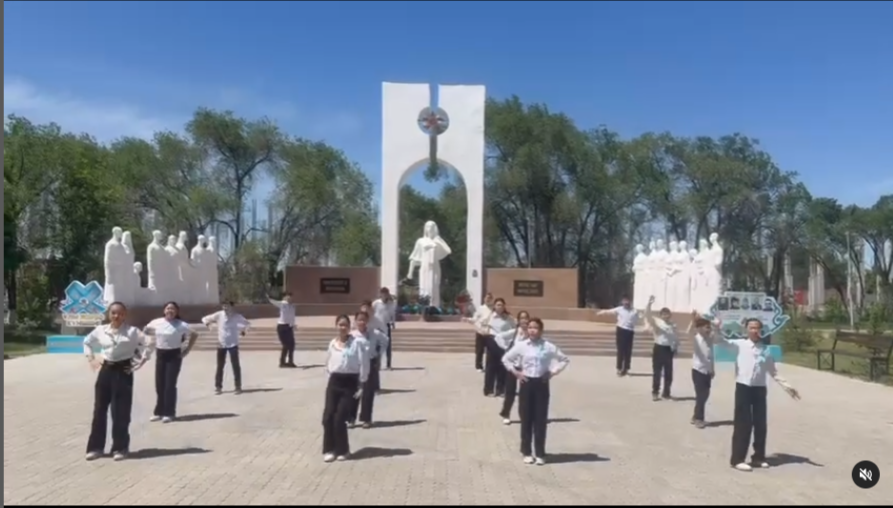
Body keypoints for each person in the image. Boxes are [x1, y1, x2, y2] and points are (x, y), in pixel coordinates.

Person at [720, 318, 800, 472]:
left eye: (757, 328)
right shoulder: (739, 345)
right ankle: (737, 459)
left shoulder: (765, 350)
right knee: (743, 423)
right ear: (746, 329)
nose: (754, 330)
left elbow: (773, 372)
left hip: (759, 389)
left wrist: (787, 387)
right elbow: (721, 342)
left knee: (760, 424)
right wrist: (716, 328)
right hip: (743, 387)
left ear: (761, 330)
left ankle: (758, 457)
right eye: (751, 327)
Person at [83, 302, 151, 461]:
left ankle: (120, 447)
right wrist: (91, 358)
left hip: (123, 371)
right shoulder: (101, 330)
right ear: (109, 314)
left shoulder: (132, 332)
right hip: (106, 370)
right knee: (99, 410)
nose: (116, 316)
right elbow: (87, 341)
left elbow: (149, 343)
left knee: (121, 411)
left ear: (125, 315)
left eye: (120, 313)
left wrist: (140, 361)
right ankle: (95, 448)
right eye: (113, 313)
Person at [502, 318, 570, 465]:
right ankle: (526, 451)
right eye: (530, 327)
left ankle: (540, 452)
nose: (532, 330)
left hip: (541, 383)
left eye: (535, 328)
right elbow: (506, 359)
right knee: (526, 418)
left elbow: (564, 359)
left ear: (541, 330)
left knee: (540, 419)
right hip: (526, 383)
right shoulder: (522, 346)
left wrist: (552, 372)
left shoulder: (548, 346)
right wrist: (516, 373)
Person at [322, 314, 370, 463]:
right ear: (336, 326)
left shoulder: (357, 343)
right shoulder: (332, 343)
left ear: (349, 327)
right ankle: (329, 449)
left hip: (350, 383)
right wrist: (330, 377)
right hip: (334, 382)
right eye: (340, 324)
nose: (342, 327)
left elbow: (364, 363)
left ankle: (343, 450)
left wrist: (362, 382)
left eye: (345, 325)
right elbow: (328, 363)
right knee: (328, 417)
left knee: (340, 418)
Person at [144, 301, 198, 423]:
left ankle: (169, 413)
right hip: (160, 354)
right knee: (159, 384)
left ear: (177, 311)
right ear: (164, 310)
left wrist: (187, 350)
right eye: (168, 308)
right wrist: (146, 337)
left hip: (174, 355)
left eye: (173, 309)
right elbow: (146, 330)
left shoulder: (181, 324)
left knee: (169, 385)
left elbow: (195, 333)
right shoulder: (156, 322)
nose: (170, 310)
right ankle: (159, 412)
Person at [348, 310, 389, 428]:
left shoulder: (374, 333)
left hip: (370, 363)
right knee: (353, 391)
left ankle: (366, 418)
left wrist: (379, 353)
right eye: (359, 320)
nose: (362, 322)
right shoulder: (351, 335)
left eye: (364, 320)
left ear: (368, 321)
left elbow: (385, 340)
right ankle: (351, 418)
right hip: (355, 365)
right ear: (355, 321)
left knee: (368, 392)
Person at [201, 302, 250, 395]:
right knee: (220, 366)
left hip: (233, 344)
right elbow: (204, 318)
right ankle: (218, 386)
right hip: (221, 343)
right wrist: (208, 324)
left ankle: (238, 386)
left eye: (227, 306)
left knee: (235, 365)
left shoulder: (237, 316)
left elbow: (247, 324)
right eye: (224, 306)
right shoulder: (219, 315)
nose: (225, 308)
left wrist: (243, 331)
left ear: (232, 307)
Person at [686, 310, 718, 429]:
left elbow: (711, 356)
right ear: (699, 328)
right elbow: (688, 332)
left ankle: (695, 416)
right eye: (706, 327)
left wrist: (712, 369)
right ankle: (699, 419)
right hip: (698, 370)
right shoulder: (696, 338)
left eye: (709, 327)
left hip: (707, 371)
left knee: (705, 394)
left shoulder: (710, 339)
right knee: (701, 395)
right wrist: (693, 321)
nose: (708, 329)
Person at [643, 295, 679, 401]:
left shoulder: (673, 325)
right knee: (657, 372)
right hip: (659, 348)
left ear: (670, 315)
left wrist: (676, 347)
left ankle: (666, 392)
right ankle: (655, 392)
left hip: (669, 350)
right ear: (661, 315)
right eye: (664, 314)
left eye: (667, 314)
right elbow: (647, 315)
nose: (666, 316)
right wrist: (649, 304)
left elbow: (675, 337)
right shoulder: (657, 322)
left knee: (669, 373)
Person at [500, 310, 530, 425]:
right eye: (522, 318)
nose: (524, 320)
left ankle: (524, 415)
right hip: (512, 366)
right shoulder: (514, 332)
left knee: (525, 394)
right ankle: (506, 414)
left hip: (525, 367)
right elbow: (499, 337)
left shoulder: (531, 333)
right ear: (518, 320)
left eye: (526, 318)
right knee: (510, 391)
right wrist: (506, 348)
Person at [597, 296, 640, 377]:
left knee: (628, 351)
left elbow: (638, 319)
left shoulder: (634, 311)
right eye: (624, 301)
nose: (626, 303)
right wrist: (601, 312)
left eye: (627, 301)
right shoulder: (619, 309)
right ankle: (619, 368)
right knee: (620, 350)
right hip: (621, 330)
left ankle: (626, 368)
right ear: (622, 302)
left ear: (630, 302)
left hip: (630, 331)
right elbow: (610, 312)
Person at [483, 298, 515, 398]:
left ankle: (500, 389)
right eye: (498, 305)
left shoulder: (509, 318)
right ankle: (488, 389)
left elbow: (514, 328)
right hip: (492, 340)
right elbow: (482, 325)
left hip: (504, 342)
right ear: (494, 306)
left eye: (501, 305)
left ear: (504, 306)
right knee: (491, 366)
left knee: (502, 366)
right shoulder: (490, 316)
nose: (500, 307)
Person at [465, 293, 494, 372]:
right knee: (479, 350)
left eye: (489, 298)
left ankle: (489, 366)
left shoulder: (493, 309)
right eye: (486, 298)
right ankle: (478, 366)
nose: (488, 299)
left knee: (490, 351)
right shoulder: (480, 308)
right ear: (484, 299)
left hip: (489, 332)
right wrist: (468, 319)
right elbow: (475, 318)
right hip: (480, 331)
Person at [269, 292, 297, 368]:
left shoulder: (292, 306)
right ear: (285, 297)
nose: (290, 298)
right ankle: (282, 362)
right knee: (286, 344)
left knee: (292, 344)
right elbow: (274, 302)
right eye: (288, 297)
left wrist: (293, 325)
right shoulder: (283, 304)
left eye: (291, 297)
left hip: (289, 327)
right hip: (282, 326)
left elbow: (292, 317)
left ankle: (290, 361)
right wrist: (269, 298)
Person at [372, 288, 398, 370]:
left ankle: (388, 364)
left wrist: (393, 322)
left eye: (386, 294)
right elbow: (372, 312)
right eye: (383, 294)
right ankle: (377, 364)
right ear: (380, 294)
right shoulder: (376, 303)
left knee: (388, 346)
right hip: (377, 326)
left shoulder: (391, 303)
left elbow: (392, 314)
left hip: (386, 326)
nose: (384, 295)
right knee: (377, 346)